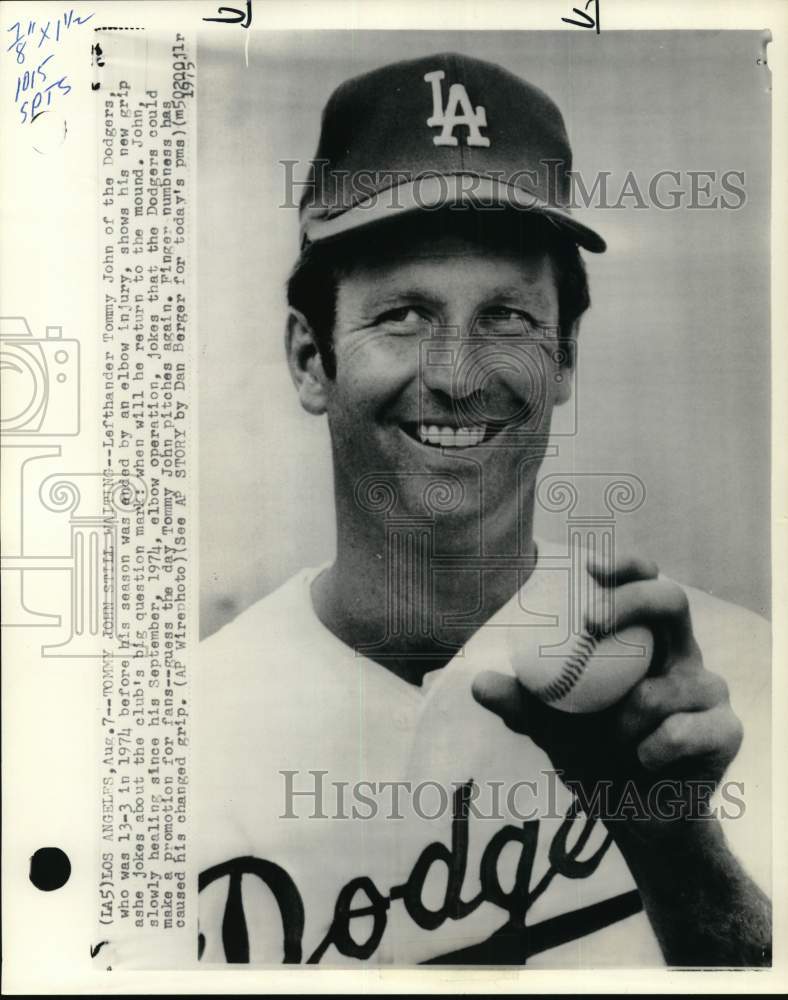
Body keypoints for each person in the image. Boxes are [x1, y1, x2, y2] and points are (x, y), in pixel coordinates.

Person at [197, 52, 771, 967]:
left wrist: (673, 842)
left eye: (507, 318)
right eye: (403, 316)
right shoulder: (173, 737)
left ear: (567, 359)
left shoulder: (736, 699)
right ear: (312, 359)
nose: (458, 377)